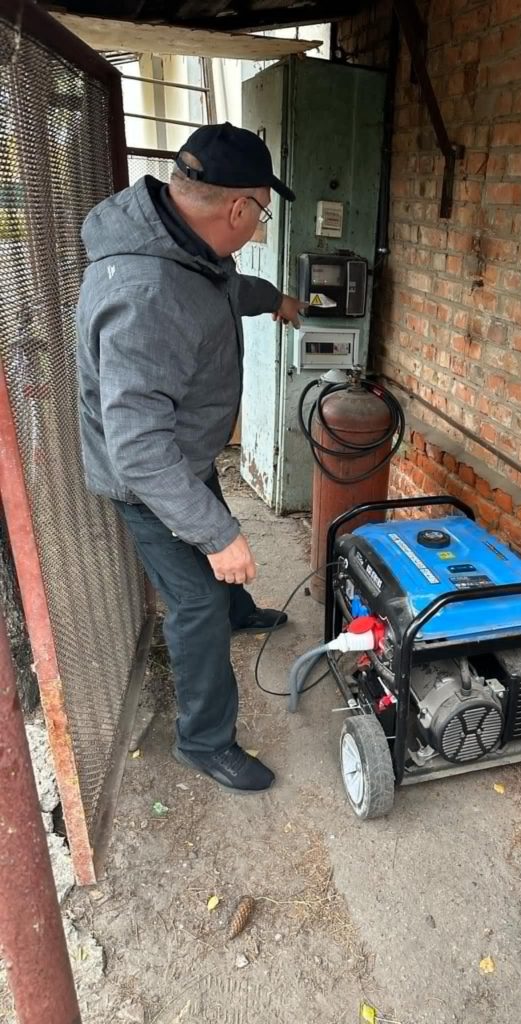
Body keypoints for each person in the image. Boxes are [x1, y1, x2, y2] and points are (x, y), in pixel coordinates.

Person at [76, 123, 304, 793]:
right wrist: (217, 534)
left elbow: (226, 290)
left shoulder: (181, 245)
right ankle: (203, 742)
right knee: (198, 599)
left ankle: (240, 612)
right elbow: (139, 447)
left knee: (217, 551)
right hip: (146, 477)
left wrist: (277, 301)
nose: (258, 226)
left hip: (182, 451)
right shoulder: (148, 293)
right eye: (261, 212)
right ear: (238, 207)